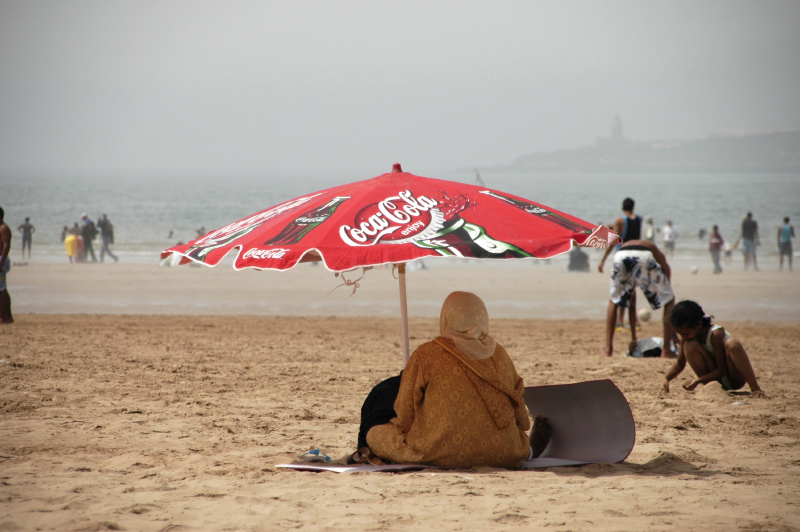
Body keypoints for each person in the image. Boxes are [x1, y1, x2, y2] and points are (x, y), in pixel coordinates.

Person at [356, 291, 551, 469]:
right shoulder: (500, 355)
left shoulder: (427, 353)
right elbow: (522, 420)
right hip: (504, 455)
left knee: (374, 433)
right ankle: (530, 452)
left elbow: (406, 413)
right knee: (516, 443)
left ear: (447, 317)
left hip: (437, 454)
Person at [663, 300, 765, 397]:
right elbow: (680, 363)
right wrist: (666, 378)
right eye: (681, 335)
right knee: (690, 346)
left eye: (686, 334)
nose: (683, 338)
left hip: (733, 378)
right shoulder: (687, 338)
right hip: (713, 381)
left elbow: (722, 369)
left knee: (733, 343)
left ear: (699, 324)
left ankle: (755, 388)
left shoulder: (715, 334)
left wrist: (698, 380)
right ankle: (710, 387)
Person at [603, 239, 676, 358]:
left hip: (620, 256)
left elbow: (632, 305)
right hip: (644, 256)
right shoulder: (650, 245)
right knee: (669, 300)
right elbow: (665, 266)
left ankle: (608, 350)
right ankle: (666, 350)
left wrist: (633, 339)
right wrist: (667, 288)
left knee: (614, 300)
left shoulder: (627, 244)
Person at [598, 197, 643, 332]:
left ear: (623, 207)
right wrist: (614, 227)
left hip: (623, 257)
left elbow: (614, 240)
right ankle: (634, 322)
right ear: (633, 207)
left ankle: (619, 322)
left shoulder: (620, 220)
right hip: (636, 256)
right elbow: (630, 233)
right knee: (631, 290)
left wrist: (603, 260)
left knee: (619, 290)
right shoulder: (639, 219)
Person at [0, 207, 13, 324]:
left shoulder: (4, 228)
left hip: (1, 259)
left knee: (1, 290)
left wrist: (1, 261)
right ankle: (6, 315)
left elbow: (7, 246)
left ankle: (5, 317)